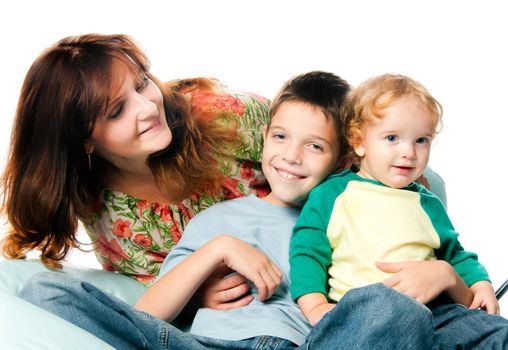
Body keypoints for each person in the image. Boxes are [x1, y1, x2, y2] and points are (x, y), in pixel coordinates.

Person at [20, 71, 437, 349]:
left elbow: (412, 209)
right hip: (197, 345)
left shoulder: (346, 215)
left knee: (398, 313)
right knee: (44, 290)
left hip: (299, 343)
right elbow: (144, 314)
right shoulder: (218, 220)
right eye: (280, 138)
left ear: (345, 156)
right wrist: (217, 251)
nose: (291, 157)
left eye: (315, 146)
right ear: (266, 137)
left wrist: (444, 274)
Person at [0, 33, 270, 291]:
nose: (148, 108)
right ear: (83, 140)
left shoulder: (222, 114)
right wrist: (196, 296)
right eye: (117, 111)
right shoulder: (105, 210)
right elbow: (154, 285)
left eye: (141, 83)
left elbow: (309, 142)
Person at [289, 73, 508, 347]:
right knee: (394, 307)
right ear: (359, 141)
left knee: (499, 332)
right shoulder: (332, 194)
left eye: (421, 140)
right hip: (365, 313)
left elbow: (455, 254)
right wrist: (315, 306)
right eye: (392, 138)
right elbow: (307, 251)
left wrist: (480, 285)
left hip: (439, 313)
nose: (409, 152)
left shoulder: (427, 203)